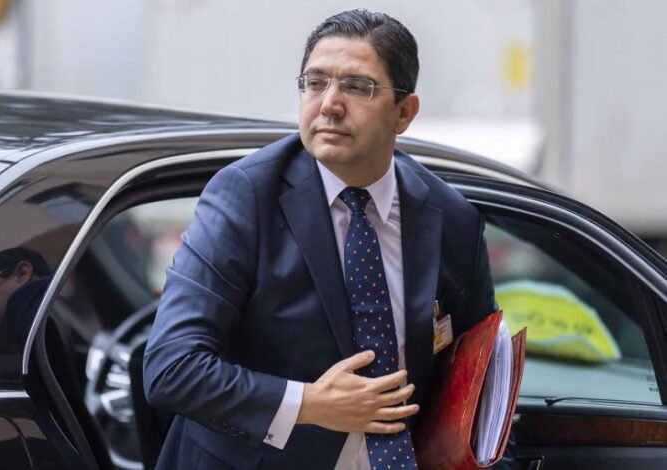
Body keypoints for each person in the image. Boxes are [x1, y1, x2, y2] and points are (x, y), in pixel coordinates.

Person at [144, 9, 506, 470]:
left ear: (404, 113)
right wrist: (310, 403)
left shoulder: (451, 218)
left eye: (357, 87)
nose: (329, 104)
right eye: (315, 83)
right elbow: (172, 368)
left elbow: (480, 374)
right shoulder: (246, 196)